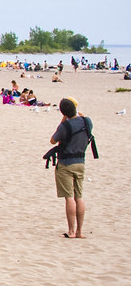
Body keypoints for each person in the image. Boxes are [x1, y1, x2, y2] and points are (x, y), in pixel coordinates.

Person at [50, 97, 92, 239]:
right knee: (79, 197)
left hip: (66, 163)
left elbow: (53, 140)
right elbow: (86, 122)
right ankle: (80, 231)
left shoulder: (65, 126)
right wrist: (81, 115)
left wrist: (63, 120)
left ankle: (72, 231)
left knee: (69, 198)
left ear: (63, 112)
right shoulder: (87, 122)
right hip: (81, 161)